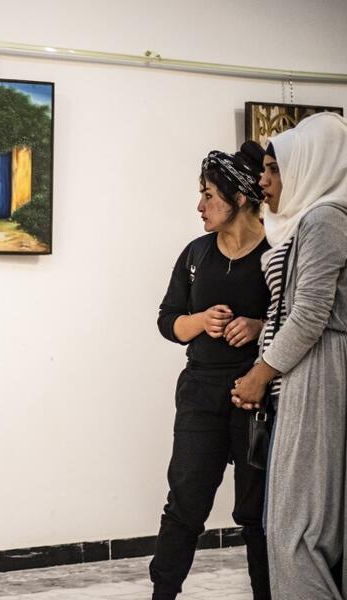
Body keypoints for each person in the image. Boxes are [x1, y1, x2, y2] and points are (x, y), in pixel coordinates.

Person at [231, 112, 347, 599]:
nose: (264, 180)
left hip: (317, 370)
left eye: (274, 169)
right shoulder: (309, 221)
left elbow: (310, 314)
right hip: (302, 371)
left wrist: (260, 374)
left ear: (309, 166)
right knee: (296, 526)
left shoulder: (325, 218)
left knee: (296, 531)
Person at [150, 141, 271, 600]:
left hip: (257, 397)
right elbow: (168, 321)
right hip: (200, 392)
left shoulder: (278, 250)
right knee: (185, 504)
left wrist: (257, 326)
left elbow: (297, 316)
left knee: (257, 513)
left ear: (239, 198)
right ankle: (163, 594)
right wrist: (201, 322)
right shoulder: (195, 254)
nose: (199, 205)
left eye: (208, 195)